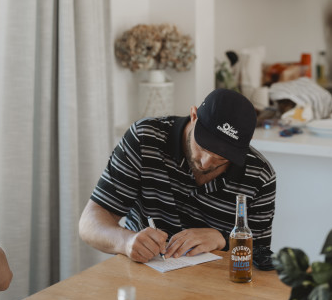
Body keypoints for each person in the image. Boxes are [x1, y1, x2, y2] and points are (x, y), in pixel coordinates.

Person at [79, 88, 276, 268]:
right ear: (194, 116)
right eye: (203, 146)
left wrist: (223, 239)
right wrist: (126, 241)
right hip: (143, 274)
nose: (206, 163)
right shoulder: (145, 139)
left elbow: (261, 255)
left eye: (221, 158)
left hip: (213, 285)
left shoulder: (259, 175)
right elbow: (89, 224)